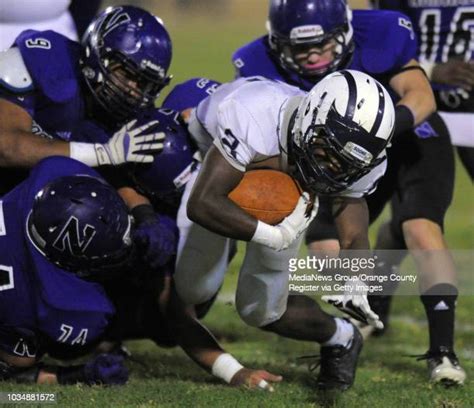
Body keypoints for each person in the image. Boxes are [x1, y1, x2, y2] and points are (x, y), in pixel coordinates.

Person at [233, 0, 465, 385]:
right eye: (299, 48)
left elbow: (422, 97)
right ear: (277, 42)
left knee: (421, 229)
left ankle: (443, 352)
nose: (310, 57)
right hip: (342, 160)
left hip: (407, 139)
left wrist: (382, 132)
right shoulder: (258, 63)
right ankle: (366, 305)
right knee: (327, 252)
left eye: (321, 45)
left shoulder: (381, 33)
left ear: (344, 34)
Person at [172, 70, 395, 391]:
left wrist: (356, 279)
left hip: (286, 195)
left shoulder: (364, 156)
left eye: (345, 165)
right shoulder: (254, 112)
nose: (332, 169)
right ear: (310, 117)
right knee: (193, 290)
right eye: (328, 151)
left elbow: (352, 222)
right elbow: (204, 202)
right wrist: (275, 236)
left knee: (260, 310)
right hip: (206, 169)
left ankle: (341, 336)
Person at [0, 156, 281, 390]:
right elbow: (13, 373)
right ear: (72, 265)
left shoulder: (51, 187)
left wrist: (143, 213)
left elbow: (109, 176)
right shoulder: (35, 306)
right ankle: (113, 338)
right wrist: (75, 375)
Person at [0, 5, 171, 194]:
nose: (133, 90)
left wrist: (145, 216)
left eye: (143, 83)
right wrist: (101, 154)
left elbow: (123, 182)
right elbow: (6, 147)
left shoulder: (131, 116)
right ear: (96, 55)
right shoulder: (47, 61)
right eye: (126, 73)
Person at [370, 0, 474, 180]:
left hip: (466, 92)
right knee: (417, 193)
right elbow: (382, 44)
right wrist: (430, 69)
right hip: (416, 91)